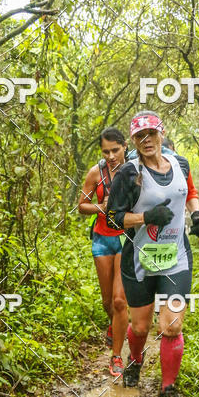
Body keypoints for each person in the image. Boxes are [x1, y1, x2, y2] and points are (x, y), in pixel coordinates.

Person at [105, 111, 199, 397]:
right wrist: (146, 217)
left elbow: (189, 190)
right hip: (140, 259)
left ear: (161, 132)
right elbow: (113, 219)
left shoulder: (179, 162)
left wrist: (196, 213)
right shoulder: (128, 173)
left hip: (176, 256)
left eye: (151, 133)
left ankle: (168, 389)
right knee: (139, 327)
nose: (146, 140)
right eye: (139, 136)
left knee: (172, 325)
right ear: (133, 141)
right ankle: (135, 360)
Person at [78, 127, 129, 377]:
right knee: (108, 301)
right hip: (101, 239)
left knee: (120, 301)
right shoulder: (95, 173)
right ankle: (113, 325)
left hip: (125, 239)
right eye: (106, 151)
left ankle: (117, 356)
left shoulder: (135, 170)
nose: (110, 156)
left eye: (115, 150)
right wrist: (101, 207)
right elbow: (81, 205)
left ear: (125, 146)